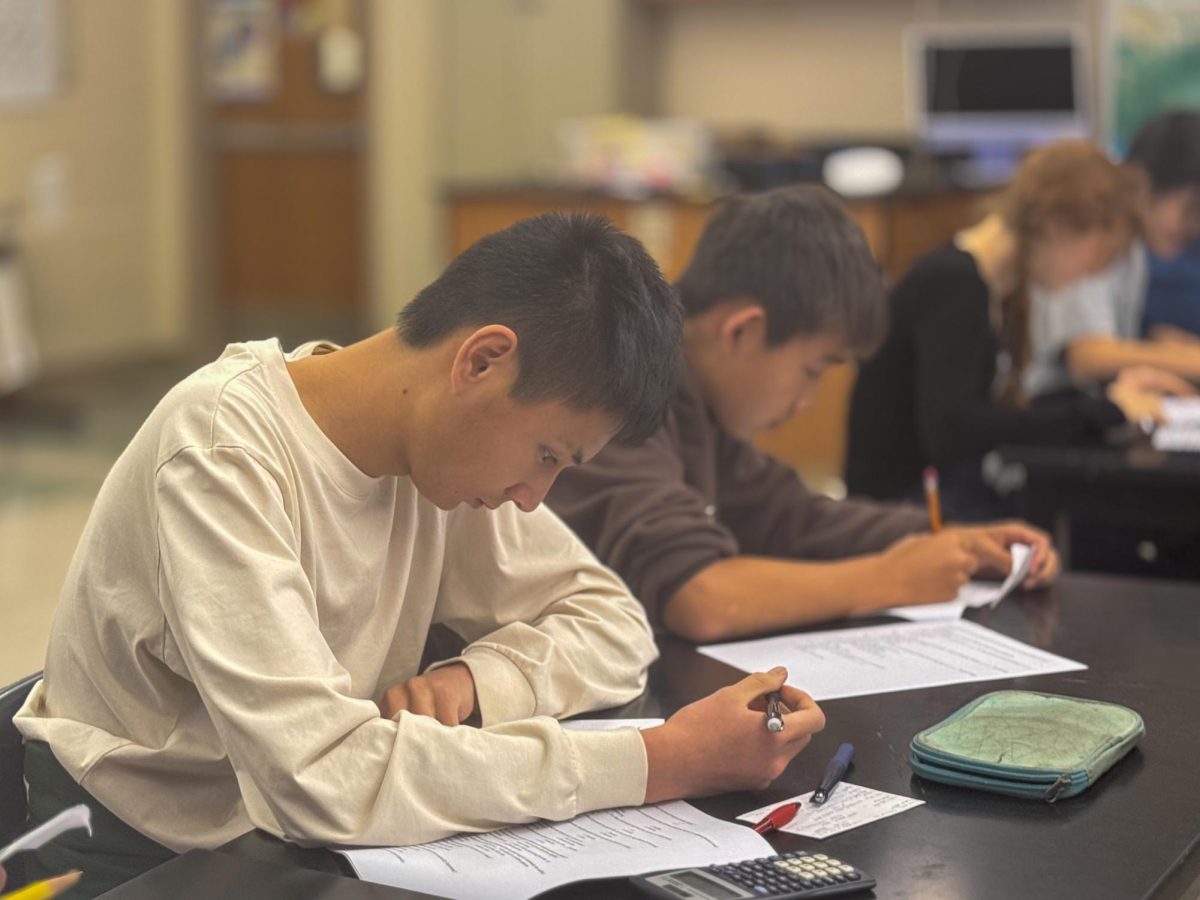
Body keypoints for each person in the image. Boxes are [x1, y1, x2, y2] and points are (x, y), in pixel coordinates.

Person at [14, 213, 825, 898]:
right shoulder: (223, 452)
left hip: (290, 842)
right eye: (546, 453)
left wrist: (478, 681)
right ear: (479, 360)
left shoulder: (437, 457)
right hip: (140, 853)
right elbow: (321, 779)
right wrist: (660, 760)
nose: (534, 497)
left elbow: (613, 624)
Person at [546, 185, 1059, 645]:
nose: (806, 401)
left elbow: (793, 518)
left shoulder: (696, 403)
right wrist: (888, 578)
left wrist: (949, 537)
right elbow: (701, 597)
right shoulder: (624, 389)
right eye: (812, 370)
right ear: (742, 331)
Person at [846, 140, 1194, 520]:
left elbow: (997, 413)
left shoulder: (990, 290)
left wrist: (1111, 401)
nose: (1090, 275)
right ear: (1056, 226)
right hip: (906, 505)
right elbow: (955, 431)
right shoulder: (954, 285)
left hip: (937, 492)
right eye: (1100, 256)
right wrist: (1106, 411)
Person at [1026, 111, 1200, 396]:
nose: (1195, 228)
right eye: (1192, 208)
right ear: (1143, 183)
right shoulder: (1098, 229)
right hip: (1045, 414)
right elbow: (1088, 357)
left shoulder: (1135, 252)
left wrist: (1161, 345)